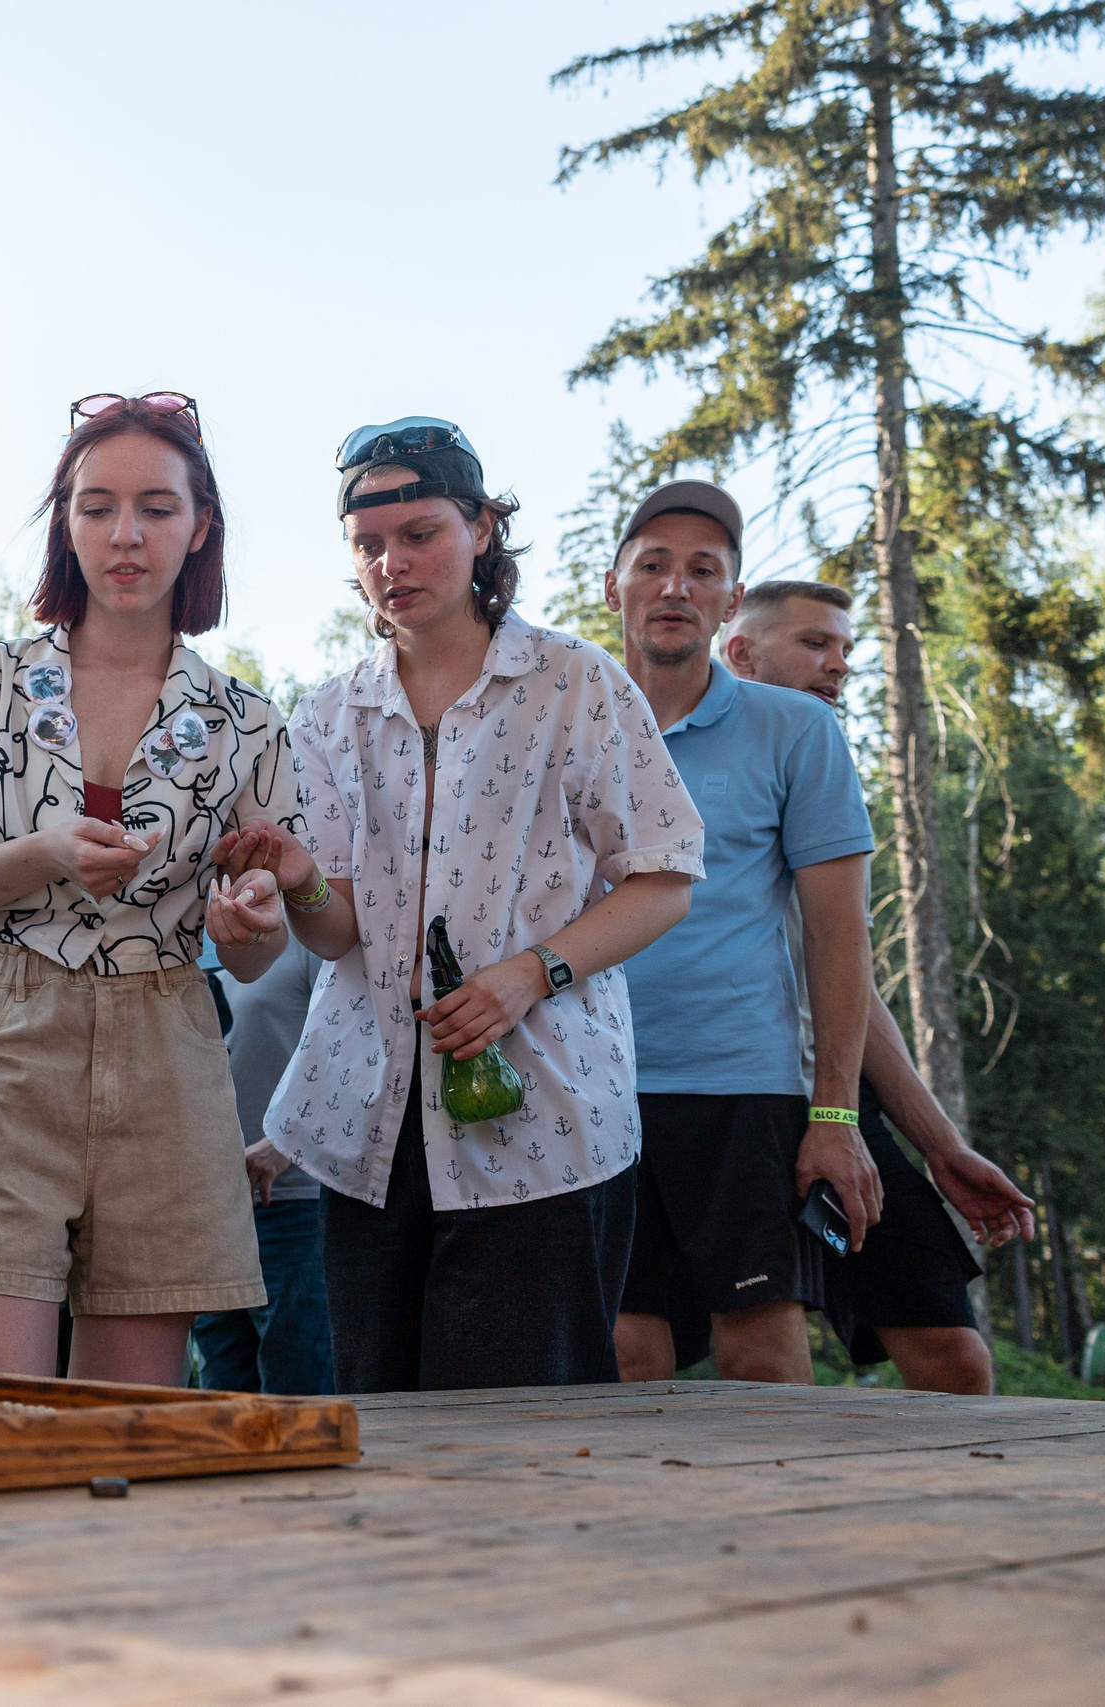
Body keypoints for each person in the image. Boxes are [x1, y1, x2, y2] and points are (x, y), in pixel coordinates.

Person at [0, 390, 340, 1387]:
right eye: (95, 506)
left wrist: (248, 918)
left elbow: (261, 950)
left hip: (170, 1045)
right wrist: (41, 854)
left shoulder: (247, 722)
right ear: (64, 521)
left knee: (125, 1426)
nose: (124, 534)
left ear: (200, 524)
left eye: (155, 507)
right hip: (1, 1037)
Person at [267, 416, 699, 1394]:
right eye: (368, 545)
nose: (393, 562)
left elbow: (665, 878)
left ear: (483, 528)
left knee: (528, 1441)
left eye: (419, 533)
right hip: (362, 1120)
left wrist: (528, 974)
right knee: (375, 1435)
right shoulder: (327, 713)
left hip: (541, 1122)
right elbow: (335, 930)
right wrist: (296, 883)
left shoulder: (574, 682)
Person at [721, 577, 1037, 1392]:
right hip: (720, 1108)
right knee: (741, 1358)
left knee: (954, 1357)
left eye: (846, 651)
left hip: (835, 1109)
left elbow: (850, 987)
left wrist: (942, 1148)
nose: (839, 666)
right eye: (815, 644)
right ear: (740, 652)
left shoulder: (817, 776)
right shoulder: (665, 769)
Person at [605, 481, 881, 1388]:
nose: (675, 586)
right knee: (625, 1349)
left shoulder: (796, 729)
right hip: (591, 1087)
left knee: (761, 1349)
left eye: (702, 570)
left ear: (730, 598)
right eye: (653, 566)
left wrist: (835, 1115)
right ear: (616, 589)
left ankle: (785, 1535)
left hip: (741, 1087)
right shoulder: (568, 721)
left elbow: (838, 937)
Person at [193, 939, 337, 1395]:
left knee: (299, 1396)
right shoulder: (169, 931)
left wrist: (285, 1144)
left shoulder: (311, 932)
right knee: (221, 1403)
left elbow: (352, 1044)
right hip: (205, 1214)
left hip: (291, 1206)